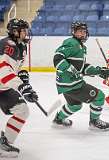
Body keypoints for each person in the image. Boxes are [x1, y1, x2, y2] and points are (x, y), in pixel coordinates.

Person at [52, 21, 109, 131]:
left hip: (66, 85)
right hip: (72, 84)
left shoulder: (81, 47)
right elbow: (58, 57)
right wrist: (70, 68)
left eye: (84, 31)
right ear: (73, 32)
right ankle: (94, 122)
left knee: (75, 106)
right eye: (80, 31)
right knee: (99, 97)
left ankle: (58, 119)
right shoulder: (72, 43)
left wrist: (99, 71)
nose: (83, 34)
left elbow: (82, 68)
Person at [0, 18, 38, 157]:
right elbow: (3, 70)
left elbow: (14, 68)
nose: (26, 33)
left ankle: (4, 145)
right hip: (3, 83)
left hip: (3, 87)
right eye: (23, 31)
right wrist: (22, 86)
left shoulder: (21, 45)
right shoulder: (8, 45)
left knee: (22, 110)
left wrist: (22, 75)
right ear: (15, 32)